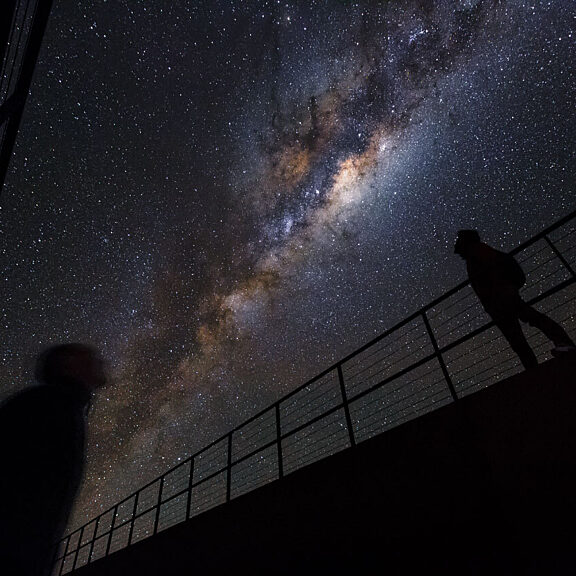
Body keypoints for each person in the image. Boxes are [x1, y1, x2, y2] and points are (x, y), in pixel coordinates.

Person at [0, 343, 107, 576]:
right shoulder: (46, 404)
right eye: (88, 357)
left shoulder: (63, 407)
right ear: (68, 365)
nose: (99, 360)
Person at [454, 229, 575, 370]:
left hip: (502, 299)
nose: (456, 244)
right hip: (500, 301)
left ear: (466, 241)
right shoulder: (474, 256)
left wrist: (501, 292)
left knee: (526, 329)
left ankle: (559, 348)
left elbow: (494, 270)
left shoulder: (478, 251)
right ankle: (553, 352)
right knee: (524, 330)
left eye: (459, 240)